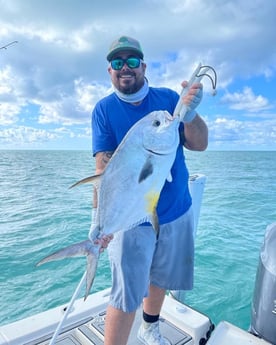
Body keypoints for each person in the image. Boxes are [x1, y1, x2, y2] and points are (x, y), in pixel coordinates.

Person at [91, 36, 208, 345]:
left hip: (175, 211)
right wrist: (99, 221)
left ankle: (150, 328)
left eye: (132, 61)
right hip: (131, 219)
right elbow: (103, 169)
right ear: (110, 71)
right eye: (118, 62)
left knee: (160, 279)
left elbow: (199, 144)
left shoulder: (169, 99)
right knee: (125, 292)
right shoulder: (104, 110)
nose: (125, 68)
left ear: (143, 66)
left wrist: (191, 114)